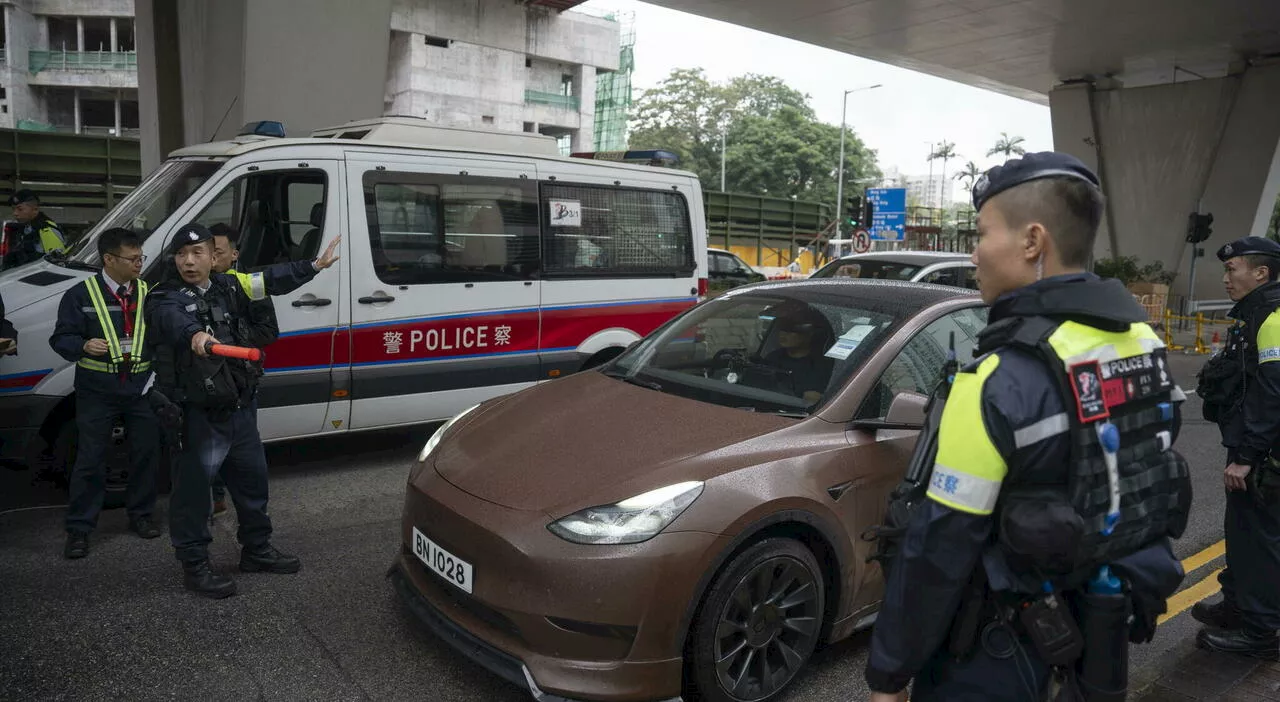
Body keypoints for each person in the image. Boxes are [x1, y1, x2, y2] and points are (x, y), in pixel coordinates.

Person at [865, 152, 1191, 701]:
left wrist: (890, 674)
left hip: (995, 658)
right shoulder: (1145, 348)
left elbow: (940, 547)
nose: (973, 254)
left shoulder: (997, 381)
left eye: (982, 234)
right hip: (1100, 640)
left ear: (1032, 241)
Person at [146, 223, 336, 598]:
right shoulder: (163, 297)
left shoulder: (228, 285)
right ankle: (195, 565)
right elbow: (173, 321)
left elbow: (269, 280)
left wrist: (313, 267)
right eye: (182, 254)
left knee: (252, 484)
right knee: (195, 494)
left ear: (213, 256)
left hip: (239, 408)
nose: (189, 261)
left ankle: (257, 550)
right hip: (197, 414)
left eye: (198, 253)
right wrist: (195, 335)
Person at [204, 223, 340, 517]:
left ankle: (251, 523)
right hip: (206, 384)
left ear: (234, 254)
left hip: (240, 382)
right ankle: (213, 498)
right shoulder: (188, 289)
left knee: (244, 455)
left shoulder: (246, 284)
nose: (211, 259)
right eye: (206, 252)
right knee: (204, 451)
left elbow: (268, 329)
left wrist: (231, 340)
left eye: (218, 253)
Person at [48, 228, 162, 558]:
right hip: (97, 391)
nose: (140, 263)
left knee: (146, 454)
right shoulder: (80, 296)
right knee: (90, 460)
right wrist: (82, 345)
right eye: (133, 258)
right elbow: (61, 339)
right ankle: (80, 529)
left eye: (141, 257)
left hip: (141, 389)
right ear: (109, 259)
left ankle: (141, 516)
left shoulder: (148, 292)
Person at [1192, 236, 1280, 659]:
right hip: (1255, 446)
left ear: (1260, 273)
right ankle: (1237, 605)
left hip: (1263, 454)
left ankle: (1260, 632)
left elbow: (1273, 392)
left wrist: (1247, 457)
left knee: (1259, 539)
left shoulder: (1273, 317)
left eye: (1233, 270)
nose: (1226, 278)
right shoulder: (1257, 312)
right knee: (1242, 533)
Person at [761, 306, 834, 405]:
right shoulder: (773, 357)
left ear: (809, 334)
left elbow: (813, 399)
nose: (784, 334)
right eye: (782, 328)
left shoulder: (821, 366)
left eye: (792, 330)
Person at [2, 189, 66, 269]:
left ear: (35, 210)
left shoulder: (46, 230)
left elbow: (58, 265)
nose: (15, 213)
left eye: (20, 209)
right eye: (13, 209)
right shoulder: (26, 228)